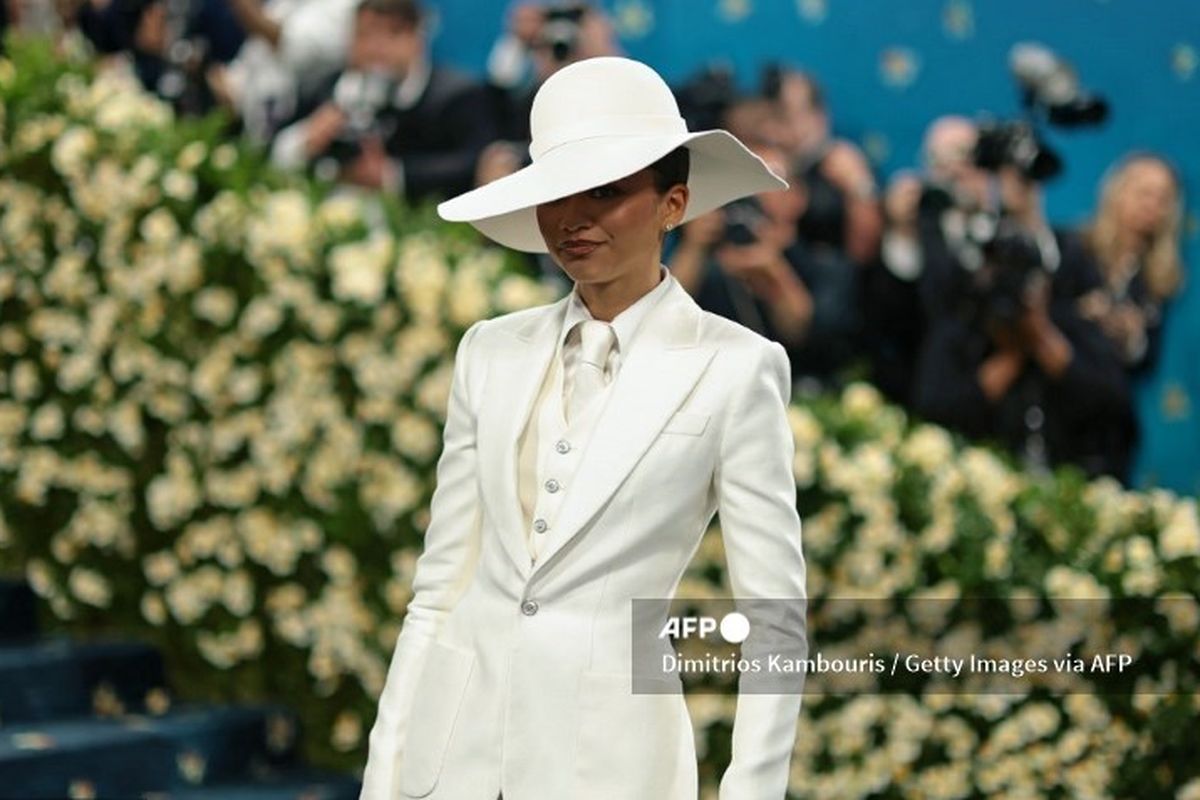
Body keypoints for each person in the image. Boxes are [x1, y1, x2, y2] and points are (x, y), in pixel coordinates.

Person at [359, 56, 808, 800]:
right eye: (557, 192)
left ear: (674, 204)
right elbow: (439, 590)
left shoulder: (736, 369)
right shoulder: (489, 351)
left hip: (612, 768)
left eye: (606, 190)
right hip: (451, 763)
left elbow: (774, 622)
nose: (575, 217)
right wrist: (387, 776)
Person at [270, 0, 496, 203]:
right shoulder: (326, 88)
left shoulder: (456, 95)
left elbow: (475, 161)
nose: (375, 48)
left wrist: (393, 175)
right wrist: (307, 138)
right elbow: (269, 149)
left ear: (417, 38)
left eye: (391, 34)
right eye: (364, 35)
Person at [1076, 151, 1185, 373]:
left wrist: (1133, 338)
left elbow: (1146, 361)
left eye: (1163, 199)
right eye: (1144, 193)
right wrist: (1083, 312)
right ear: (1118, 192)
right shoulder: (1075, 247)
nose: (1152, 205)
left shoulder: (1156, 278)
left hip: (1108, 395)